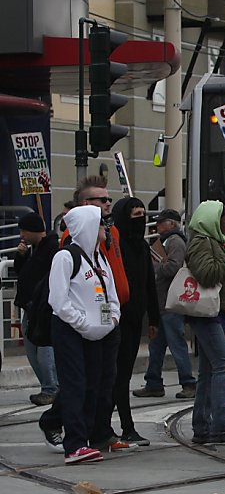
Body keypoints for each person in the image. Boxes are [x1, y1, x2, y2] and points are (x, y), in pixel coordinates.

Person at [48, 205, 120, 463]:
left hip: (98, 331)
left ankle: (86, 439)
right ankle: (74, 444)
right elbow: (58, 300)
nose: (105, 228)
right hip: (70, 331)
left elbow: (110, 292)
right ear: (87, 226)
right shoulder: (65, 257)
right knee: (75, 384)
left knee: (95, 384)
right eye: (100, 223)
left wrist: (112, 318)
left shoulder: (100, 257)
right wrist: (82, 323)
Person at [185, 200, 225, 444]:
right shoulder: (202, 243)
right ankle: (219, 425)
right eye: (224, 217)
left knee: (209, 370)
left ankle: (202, 425)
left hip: (216, 312)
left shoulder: (213, 242)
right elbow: (208, 274)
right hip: (207, 313)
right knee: (223, 366)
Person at [109, 197, 162, 447]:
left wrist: (153, 318)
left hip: (134, 320)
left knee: (123, 375)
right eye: (135, 214)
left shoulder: (140, 246)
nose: (140, 219)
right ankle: (117, 426)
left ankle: (120, 426)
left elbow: (149, 284)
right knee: (113, 375)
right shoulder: (114, 245)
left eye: (143, 213)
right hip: (115, 320)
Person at [135, 209, 196, 399]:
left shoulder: (175, 242)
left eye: (161, 223)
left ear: (172, 224)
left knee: (176, 344)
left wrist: (154, 266)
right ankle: (153, 382)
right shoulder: (166, 241)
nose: (157, 226)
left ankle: (188, 383)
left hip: (170, 303)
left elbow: (173, 267)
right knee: (156, 345)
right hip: (163, 302)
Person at [13, 212, 60, 406]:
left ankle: (51, 388)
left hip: (43, 308)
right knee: (33, 351)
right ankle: (48, 386)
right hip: (30, 307)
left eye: (25, 230)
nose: (22, 235)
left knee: (44, 351)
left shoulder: (50, 248)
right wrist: (21, 256)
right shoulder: (34, 250)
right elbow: (23, 273)